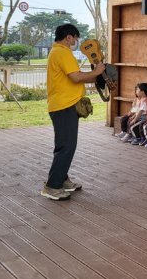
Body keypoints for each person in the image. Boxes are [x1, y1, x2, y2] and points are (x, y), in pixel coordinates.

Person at [41, 23, 105, 201]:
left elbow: (74, 74)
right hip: (63, 106)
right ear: (68, 37)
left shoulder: (57, 52)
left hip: (64, 104)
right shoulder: (62, 52)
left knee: (64, 144)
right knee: (66, 146)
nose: (76, 41)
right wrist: (98, 72)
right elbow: (76, 77)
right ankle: (52, 187)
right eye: (75, 38)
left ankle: (63, 179)